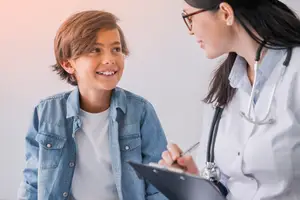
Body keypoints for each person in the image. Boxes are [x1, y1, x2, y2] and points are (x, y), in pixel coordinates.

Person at [17, 10, 168, 200]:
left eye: (116, 49)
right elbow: (32, 182)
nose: (109, 59)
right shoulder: (45, 112)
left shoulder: (141, 111)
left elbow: (158, 184)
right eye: (95, 50)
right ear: (68, 64)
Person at [159, 0, 300, 199]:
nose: (190, 31)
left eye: (190, 18)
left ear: (225, 13)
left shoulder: (295, 72)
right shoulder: (222, 88)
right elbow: (226, 184)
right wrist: (193, 179)